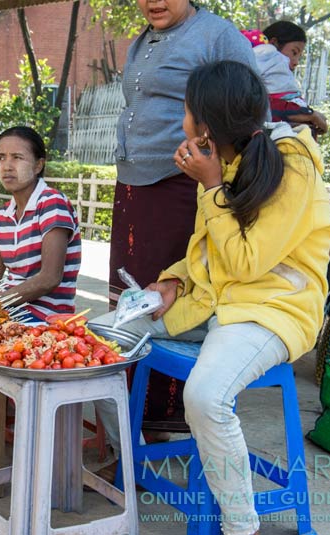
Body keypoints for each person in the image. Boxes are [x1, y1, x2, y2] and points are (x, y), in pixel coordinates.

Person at [97, 60, 330, 535]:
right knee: (98, 341)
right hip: (214, 300)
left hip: (271, 311)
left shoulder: (292, 165)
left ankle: (241, 526)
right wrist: (172, 280)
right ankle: (133, 458)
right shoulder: (227, 158)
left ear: (205, 124)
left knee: (205, 397)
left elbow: (246, 263)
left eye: (185, 110)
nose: (181, 119)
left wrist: (209, 187)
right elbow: (209, 250)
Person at [109, 0, 258, 434]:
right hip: (134, 182)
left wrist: (218, 173)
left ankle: (165, 415)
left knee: (168, 291)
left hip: (182, 183)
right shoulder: (144, 39)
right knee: (131, 295)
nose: (153, 2)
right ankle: (126, 403)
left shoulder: (218, 36)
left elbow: (249, 109)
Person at [0, 126, 81, 321]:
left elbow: (49, 279)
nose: (7, 166)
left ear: (38, 165)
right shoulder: (2, 216)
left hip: (46, 318)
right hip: (8, 311)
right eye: (1, 157)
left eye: (17, 157)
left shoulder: (52, 204)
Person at [254, 21, 328, 137]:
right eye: (294, 52)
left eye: (299, 57)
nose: (296, 62)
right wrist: (308, 114)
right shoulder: (254, 71)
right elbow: (262, 110)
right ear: (273, 44)